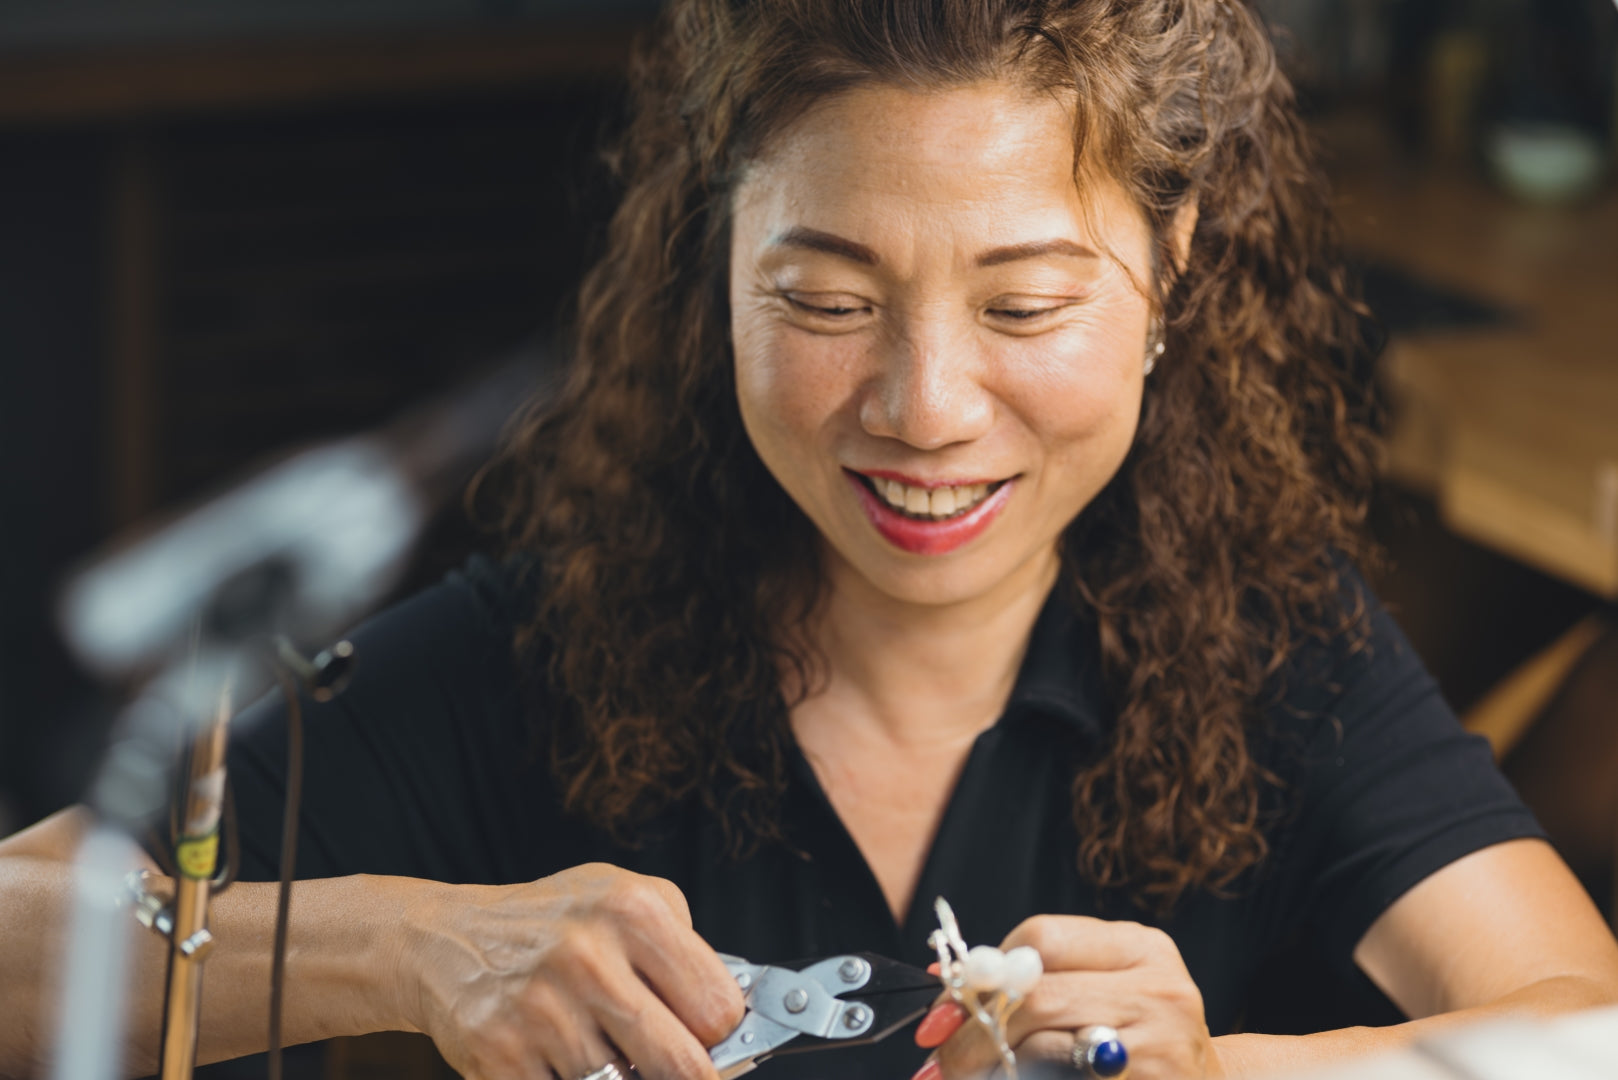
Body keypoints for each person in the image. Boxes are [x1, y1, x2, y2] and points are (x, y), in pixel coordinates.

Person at [5, 2, 1618, 1078]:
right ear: (716, 269)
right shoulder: (532, 655)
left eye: (1024, 305)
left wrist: (1219, 1073)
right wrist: (411, 944)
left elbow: (1587, 1026)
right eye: (826, 301)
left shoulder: (1270, 652)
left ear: (1172, 270)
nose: (923, 407)